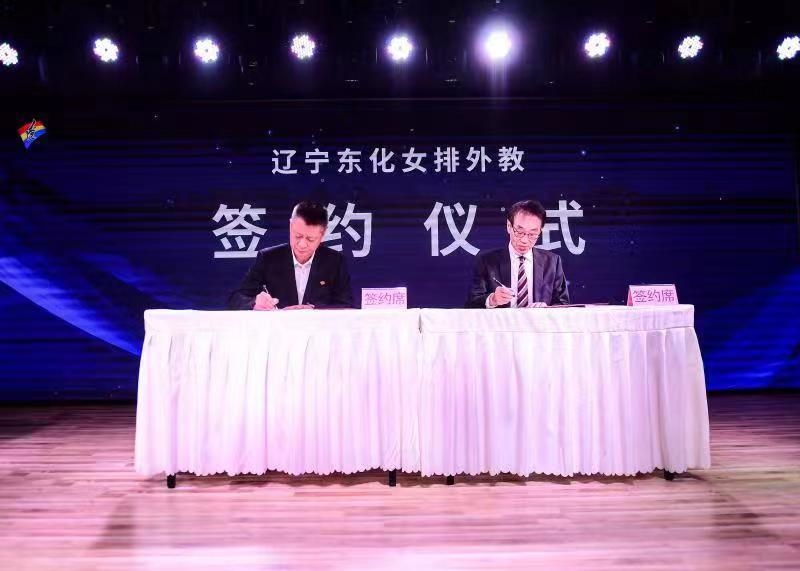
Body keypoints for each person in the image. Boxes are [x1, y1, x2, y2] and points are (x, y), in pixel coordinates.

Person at [227, 201, 354, 310]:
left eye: (310, 239)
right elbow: (237, 299)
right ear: (290, 225)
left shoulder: (335, 261)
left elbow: (345, 305)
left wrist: (314, 311)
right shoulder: (268, 258)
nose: (302, 244)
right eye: (297, 236)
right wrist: (255, 303)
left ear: (323, 234)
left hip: (319, 329)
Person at [466, 199, 570, 308]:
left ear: (540, 231)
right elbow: (471, 304)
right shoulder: (487, 261)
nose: (524, 240)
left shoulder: (552, 262)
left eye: (532, 234)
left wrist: (546, 309)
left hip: (539, 320)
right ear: (509, 226)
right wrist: (492, 299)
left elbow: (563, 305)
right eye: (519, 232)